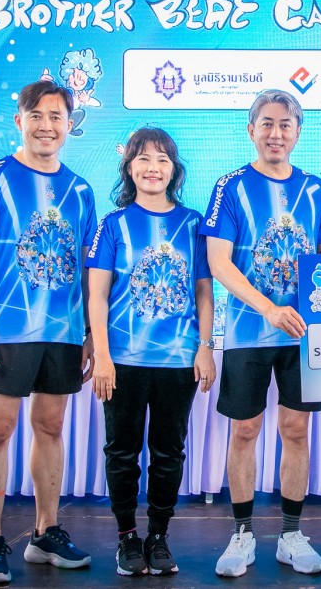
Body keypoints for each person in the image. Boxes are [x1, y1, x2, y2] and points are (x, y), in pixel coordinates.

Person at [201, 89, 321, 578]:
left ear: (298, 133)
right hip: (248, 333)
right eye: (266, 123)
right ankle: (242, 534)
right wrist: (268, 308)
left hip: (303, 336)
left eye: (285, 124)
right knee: (245, 430)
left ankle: (291, 534)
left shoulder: (315, 188)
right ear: (251, 130)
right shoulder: (230, 186)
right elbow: (219, 263)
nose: (276, 133)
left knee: (296, 430)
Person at [0, 80, 97, 585]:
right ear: (19, 121)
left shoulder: (81, 190)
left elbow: (89, 271)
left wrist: (90, 333)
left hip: (63, 332)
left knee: (51, 427)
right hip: (5, 329)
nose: (46, 125)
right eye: (36, 115)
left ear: (69, 125)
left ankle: (46, 532)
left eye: (56, 116)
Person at [87, 127, 216, 577]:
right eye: (143, 158)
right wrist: (102, 356)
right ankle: (127, 537)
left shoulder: (194, 224)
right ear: (128, 168)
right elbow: (97, 295)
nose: (153, 168)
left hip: (178, 361)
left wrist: (205, 348)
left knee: (168, 453)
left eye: (162, 159)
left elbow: (204, 292)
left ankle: (159, 536)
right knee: (121, 452)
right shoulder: (113, 224)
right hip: (122, 361)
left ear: (174, 169)